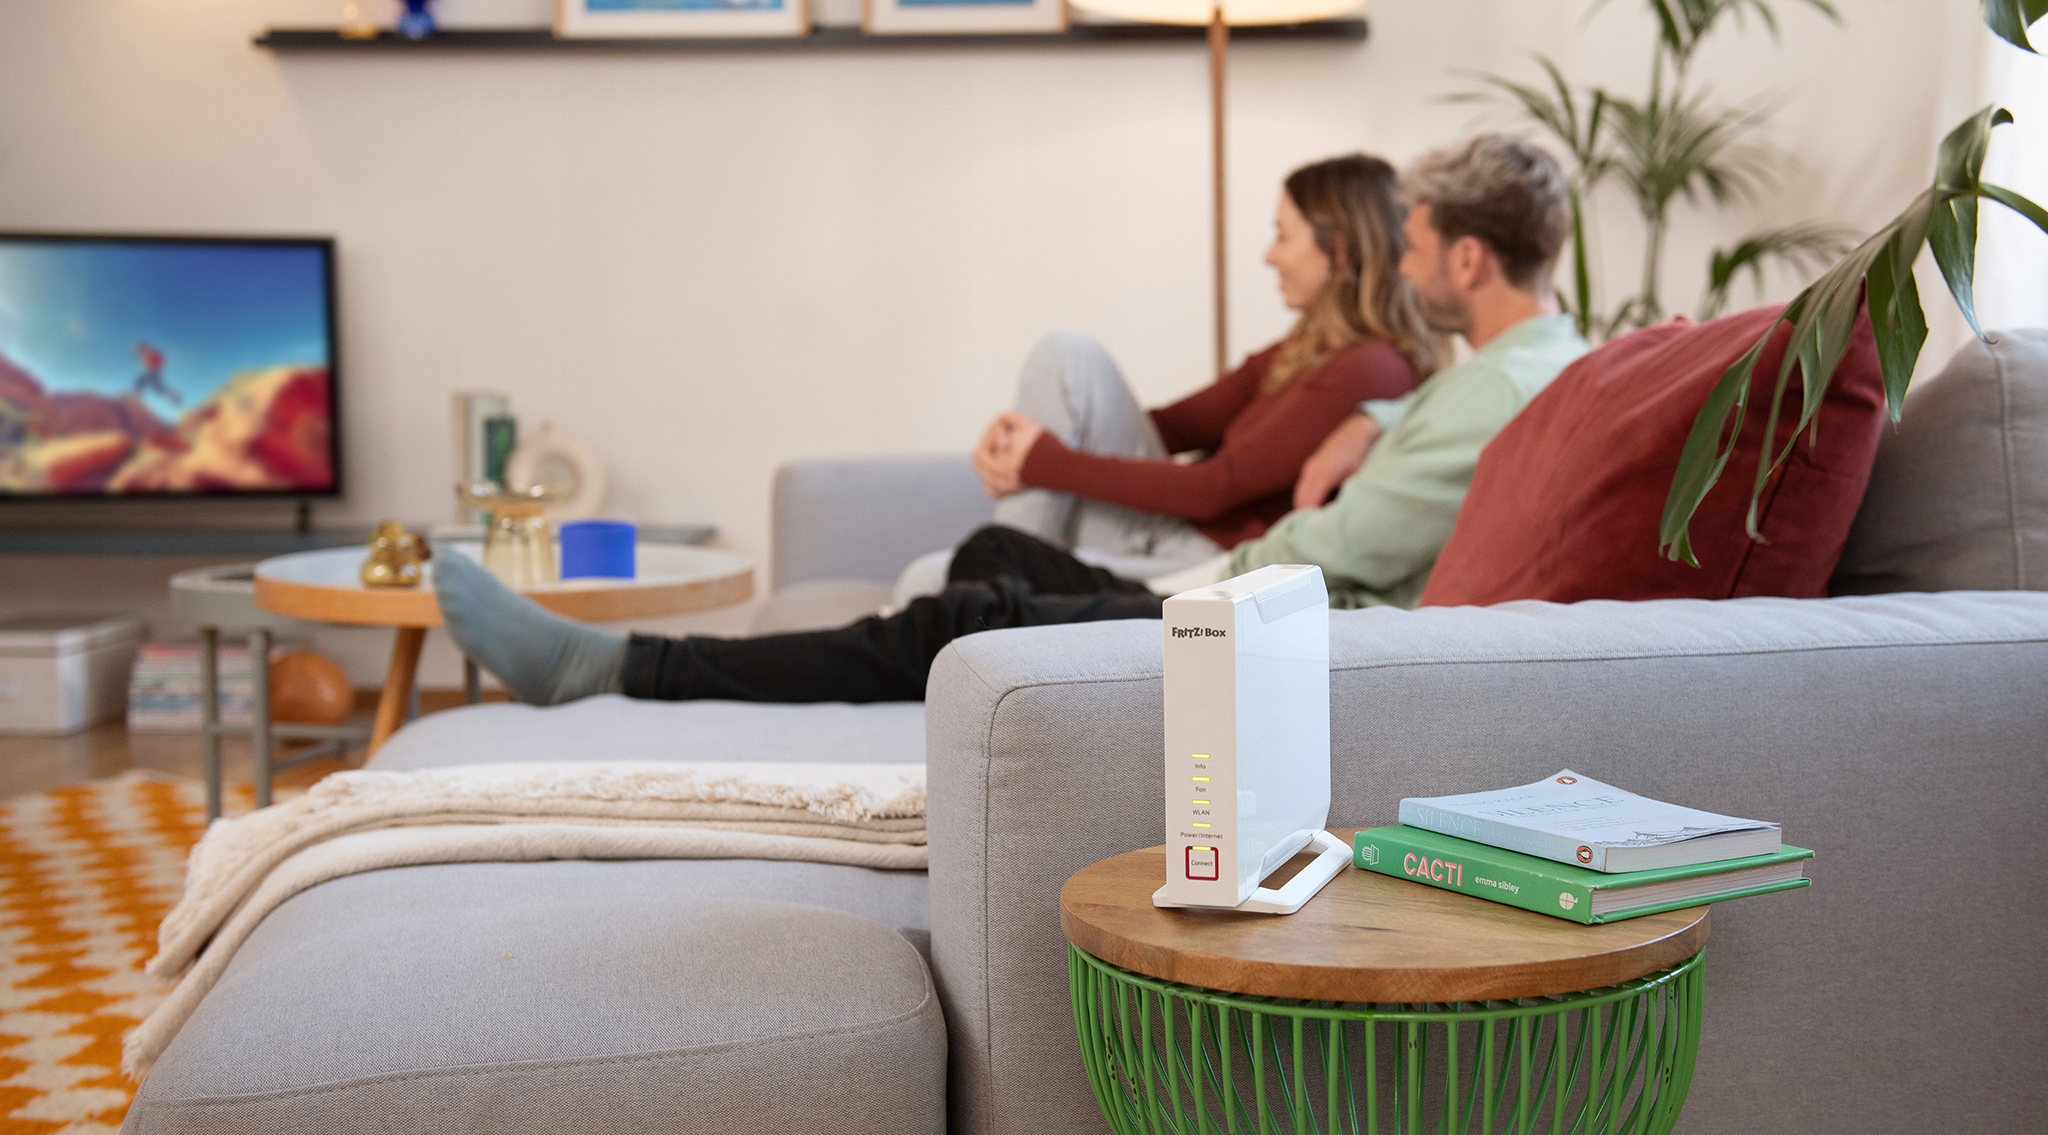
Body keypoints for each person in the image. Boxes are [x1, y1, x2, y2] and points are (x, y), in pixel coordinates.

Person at [434, 134, 1589, 706]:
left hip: (1270, 617)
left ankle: (617, 666)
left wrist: (1178, 571)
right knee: (983, 566)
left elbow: (1342, 545)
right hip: (1265, 597)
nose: (1406, 261)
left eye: (1418, 243)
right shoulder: (1510, 373)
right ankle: (780, 662)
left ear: (1467, 258)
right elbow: (1340, 453)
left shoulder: (1493, 386)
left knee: (963, 612)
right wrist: (1383, 414)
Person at [906, 152, 1441, 593]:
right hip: (1167, 532)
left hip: (1202, 559)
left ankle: (994, 587)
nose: (1269, 256)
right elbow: (1167, 428)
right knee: (1067, 357)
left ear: (1337, 249)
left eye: (1282, 236)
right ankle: (997, 585)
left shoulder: (1371, 369)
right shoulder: (1305, 350)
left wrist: (1043, 461)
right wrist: (1020, 441)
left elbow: (1214, 489)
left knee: (925, 581)